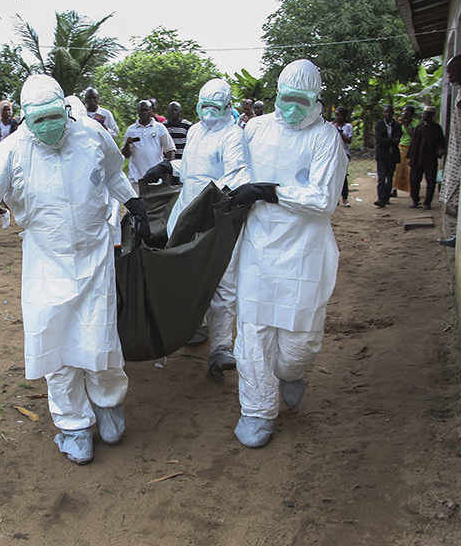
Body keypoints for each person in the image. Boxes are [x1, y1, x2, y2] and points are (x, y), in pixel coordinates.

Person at [0, 75, 150, 465]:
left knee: (100, 337)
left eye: (54, 117)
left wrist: (133, 204)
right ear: (25, 120)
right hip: (46, 259)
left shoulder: (91, 135)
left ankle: (109, 405)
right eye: (38, 120)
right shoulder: (11, 152)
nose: (48, 127)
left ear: (66, 111)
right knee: (57, 345)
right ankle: (73, 425)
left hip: (95, 254)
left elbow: (115, 172)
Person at [232, 59, 348, 448]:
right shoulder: (256, 129)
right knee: (253, 333)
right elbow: (236, 174)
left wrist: (271, 191)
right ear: (277, 94)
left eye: (301, 100)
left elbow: (323, 199)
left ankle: (292, 371)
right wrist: (241, 188)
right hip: (259, 245)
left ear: (316, 98)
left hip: (304, 248)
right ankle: (257, 411)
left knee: (300, 340)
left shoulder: (326, 138)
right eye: (286, 98)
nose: (292, 106)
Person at [163, 78, 250, 380]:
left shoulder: (233, 136)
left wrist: (212, 199)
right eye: (204, 106)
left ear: (228, 107)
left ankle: (222, 348)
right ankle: (195, 326)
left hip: (217, 215)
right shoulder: (195, 131)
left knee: (223, 280)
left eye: (216, 107)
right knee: (189, 273)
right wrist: (168, 168)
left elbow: (238, 175)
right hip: (187, 212)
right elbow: (190, 171)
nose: (209, 114)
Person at [122, 100, 175, 195]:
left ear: (151, 111)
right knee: (138, 206)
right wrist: (127, 144)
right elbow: (126, 155)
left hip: (156, 177)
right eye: (141, 110)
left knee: (154, 206)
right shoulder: (131, 129)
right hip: (137, 178)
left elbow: (170, 149)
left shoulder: (160, 128)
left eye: (146, 110)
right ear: (138, 111)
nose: (144, 112)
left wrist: (171, 168)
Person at [440, 55, 461, 215]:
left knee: (456, 188)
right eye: (448, 72)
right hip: (456, 149)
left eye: (453, 72)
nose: (449, 76)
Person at [408, 106, 445, 210]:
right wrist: (411, 158)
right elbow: (414, 144)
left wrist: (440, 150)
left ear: (432, 116)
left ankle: (427, 202)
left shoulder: (436, 128)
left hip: (430, 159)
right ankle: (415, 200)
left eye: (426, 114)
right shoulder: (419, 127)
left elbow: (441, 143)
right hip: (417, 158)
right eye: (423, 114)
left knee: (431, 181)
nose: (424, 116)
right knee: (414, 180)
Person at [373, 105, 402, 207]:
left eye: (389, 112)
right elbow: (378, 139)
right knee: (381, 178)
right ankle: (381, 198)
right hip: (382, 155)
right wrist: (391, 141)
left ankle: (386, 197)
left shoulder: (397, 125)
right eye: (386, 112)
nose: (387, 114)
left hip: (392, 155)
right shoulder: (379, 125)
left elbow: (398, 139)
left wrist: (389, 141)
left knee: (389, 178)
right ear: (383, 113)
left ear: (393, 113)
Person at [329, 106, 353, 207]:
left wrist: (339, 132)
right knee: (332, 175)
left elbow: (349, 141)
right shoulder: (330, 125)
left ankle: (345, 198)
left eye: (339, 115)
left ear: (343, 116)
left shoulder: (348, 126)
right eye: (336, 115)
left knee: (343, 175)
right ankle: (335, 198)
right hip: (332, 153)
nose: (337, 117)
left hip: (344, 152)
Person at [393, 105, 416, 194]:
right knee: (398, 170)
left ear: (409, 113)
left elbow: (413, 135)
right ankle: (394, 189)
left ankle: (411, 190)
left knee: (409, 171)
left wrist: (405, 125)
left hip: (411, 149)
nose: (402, 113)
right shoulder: (400, 124)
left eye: (404, 111)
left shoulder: (415, 123)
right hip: (401, 148)